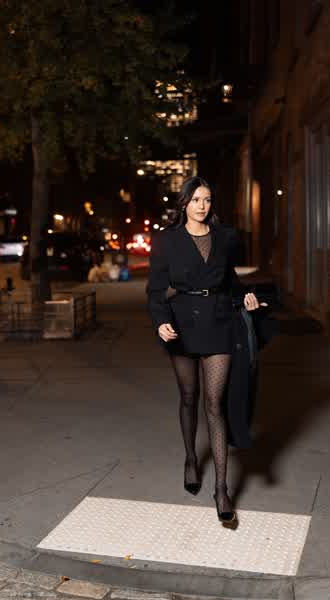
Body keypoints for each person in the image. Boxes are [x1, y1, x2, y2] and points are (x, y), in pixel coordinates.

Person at [146, 176, 259, 525]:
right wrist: (160, 321)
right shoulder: (167, 241)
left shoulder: (224, 237)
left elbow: (230, 281)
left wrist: (246, 297)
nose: (202, 206)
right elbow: (155, 289)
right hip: (181, 323)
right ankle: (191, 459)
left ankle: (221, 489)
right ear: (184, 203)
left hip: (219, 322)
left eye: (207, 199)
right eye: (196, 199)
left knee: (214, 403)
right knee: (189, 396)